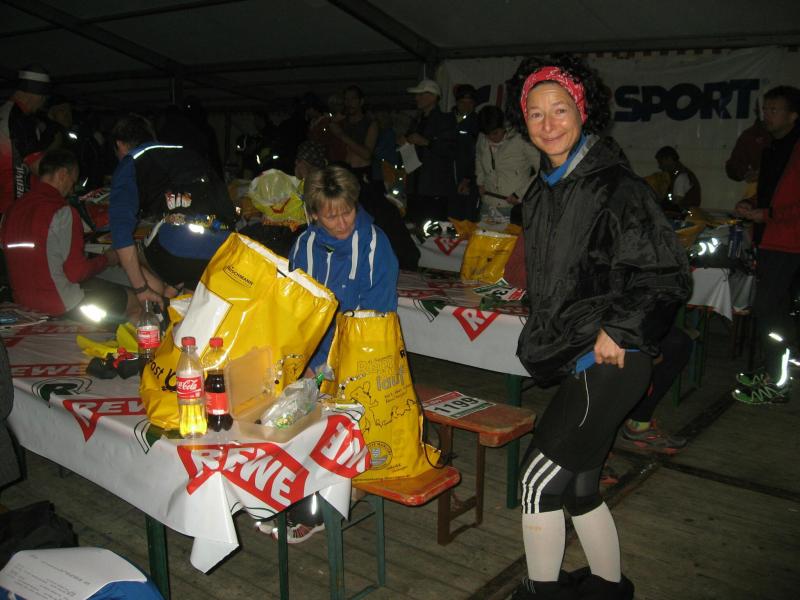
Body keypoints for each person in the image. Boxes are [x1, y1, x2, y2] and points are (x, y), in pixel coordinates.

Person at [509, 55, 690, 599]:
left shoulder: (617, 187)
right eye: (536, 113)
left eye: (560, 110)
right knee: (580, 487)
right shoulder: (542, 191)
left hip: (611, 358)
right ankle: (609, 588)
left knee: (536, 484)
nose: (548, 124)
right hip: (577, 353)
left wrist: (621, 328)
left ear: (582, 111)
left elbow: (666, 273)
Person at [281, 165, 399, 542]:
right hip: (313, 358)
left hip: (362, 357)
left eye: (346, 211)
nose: (342, 222)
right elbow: (294, 310)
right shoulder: (304, 245)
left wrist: (326, 367)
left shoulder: (376, 245)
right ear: (314, 214)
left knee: (339, 426)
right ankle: (295, 493)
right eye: (330, 216)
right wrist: (303, 363)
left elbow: (375, 319)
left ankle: (328, 504)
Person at [108, 114, 237, 309]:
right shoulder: (186, 152)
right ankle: (177, 297)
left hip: (176, 250)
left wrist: (140, 288)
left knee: (120, 252)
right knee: (187, 259)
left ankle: (152, 297)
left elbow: (121, 232)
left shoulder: (131, 161)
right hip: (222, 248)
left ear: (120, 145)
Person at [0, 149, 135, 324]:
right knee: (133, 301)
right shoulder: (62, 212)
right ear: (62, 174)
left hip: (24, 307)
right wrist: (108, 259)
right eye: (73, 182)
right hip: (62, 306)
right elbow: (76, 272)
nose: (72, 190)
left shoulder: (11, 211)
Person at [733, 85, 800, 405]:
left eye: (774, 110)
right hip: (771, 240)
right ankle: (773, 369)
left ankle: (778, 381)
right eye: (765, 109)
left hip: (790, 243)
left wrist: (768, 214)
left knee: (769, 311)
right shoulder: (774, 148)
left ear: (793, 115)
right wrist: (751, 205)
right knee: (773, 311)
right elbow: (770, 194)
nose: (766, 115)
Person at [400, 79, 456, 222]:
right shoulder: (416, 121)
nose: (416, 98)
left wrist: (426, 142)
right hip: (415, 187)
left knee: (432, 230)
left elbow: (451, 150)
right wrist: (404, 143)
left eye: (420, 94)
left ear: (433, 97)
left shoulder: (446, 120)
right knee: (414, 227)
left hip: (434, 189)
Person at [475, 105, 540, 225]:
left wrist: (520, 194)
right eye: (487, 135)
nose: (492, 138)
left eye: (495, 133)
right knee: (482, 236)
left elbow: (542, 169)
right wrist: (480, 182)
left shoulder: (521, 139)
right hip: (488, 203)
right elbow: (478, 158)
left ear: (503, 126)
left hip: (513, 206)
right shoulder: (482, 137)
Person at [0, 66, 52, 213]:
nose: (42, 103)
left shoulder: (4, 112)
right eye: (43, 98)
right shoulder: (21, 119)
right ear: (36, 96)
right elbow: (38, 166)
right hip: (15, 204)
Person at [329, 86, 378, 181]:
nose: (349, 103)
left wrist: (341, 134)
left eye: (353, 99)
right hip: (343, 172)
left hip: (361, 173)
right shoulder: (342, 122)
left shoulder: (370, 123)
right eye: (346, 99)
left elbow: (367, 154)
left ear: (361, 101)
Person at [451, 84, 481, 221]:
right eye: (462, 102)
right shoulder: (447, 120)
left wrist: (468, 179)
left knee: (466, 218)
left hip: (469, 181)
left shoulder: (478, 123)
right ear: (457, 103)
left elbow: (478, 155)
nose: (466, 106)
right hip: (447, 180)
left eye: (470, 103)